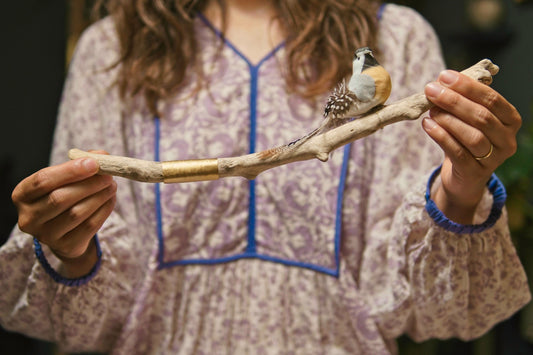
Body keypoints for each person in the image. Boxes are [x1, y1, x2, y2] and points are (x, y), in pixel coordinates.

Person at [0, 0, 530, 354]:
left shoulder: (396, 37)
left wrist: (463, 184)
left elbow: (432, 305)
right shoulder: (111, 49)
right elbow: (80, 313)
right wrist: (70, 243)